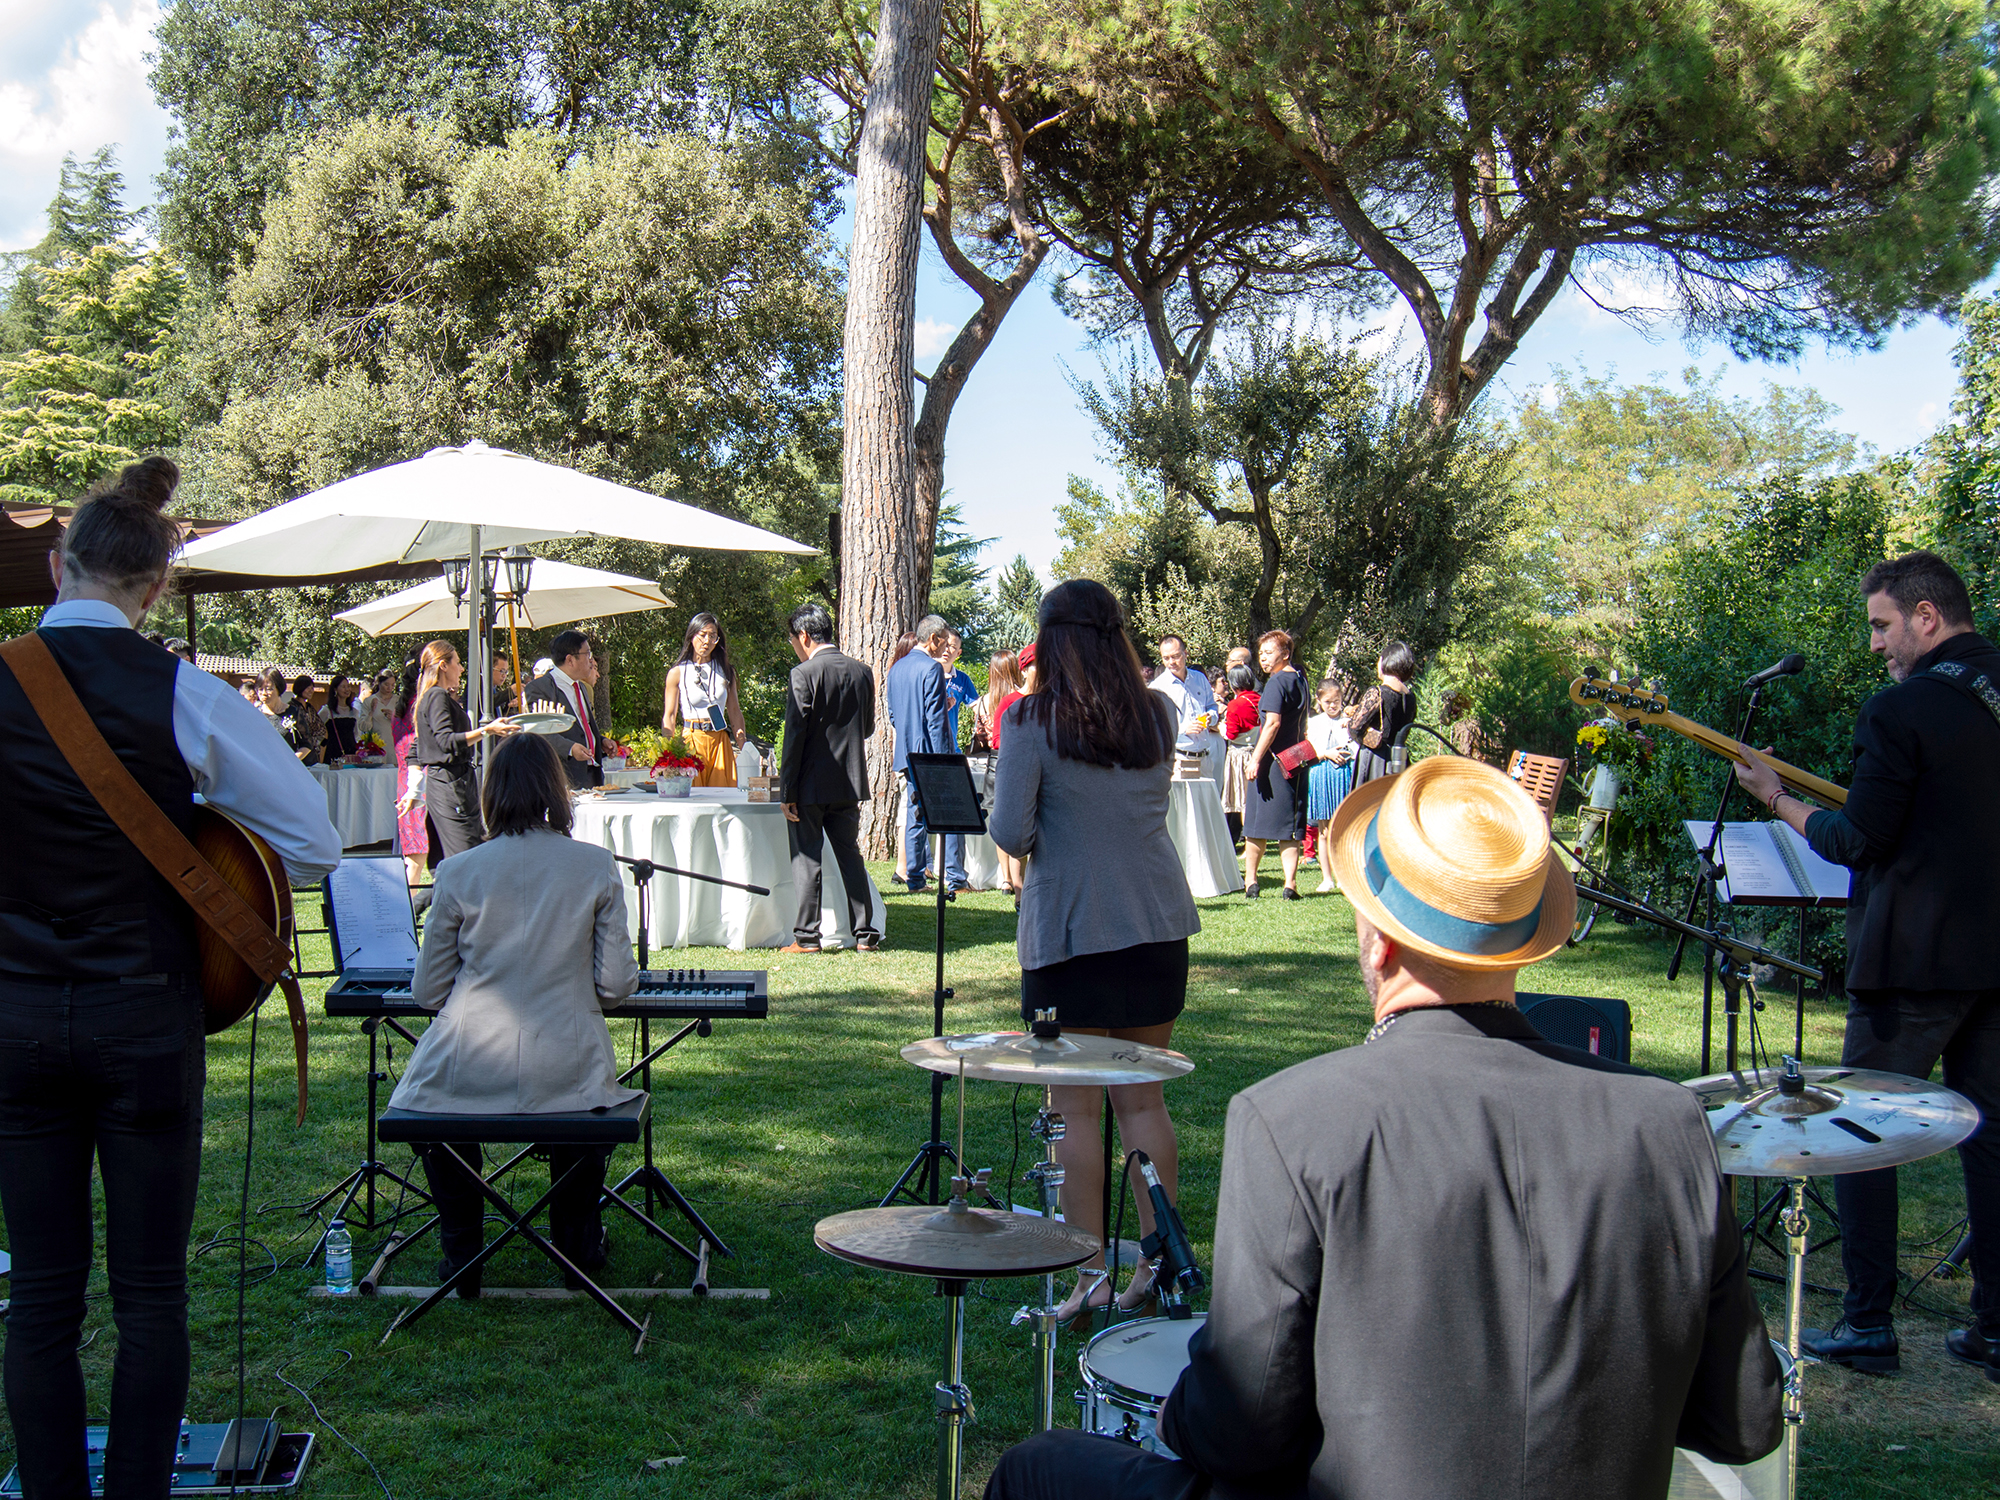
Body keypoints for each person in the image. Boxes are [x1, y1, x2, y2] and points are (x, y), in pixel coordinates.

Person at [986, 754, 1783, 1500]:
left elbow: (1240, 1432)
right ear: (1523, 941)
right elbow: (1743, 1423)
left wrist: (1183, 1418)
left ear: (1381, 940)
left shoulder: (1293, 1119)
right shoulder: (1668, 1124)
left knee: (1035, 1469)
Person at [0, 456, 341, 1500]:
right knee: (151, 1295)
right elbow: (315, 843)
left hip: (15, 1016)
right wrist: (193, 821)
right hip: (145, 1015)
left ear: (57, 567)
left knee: (41, 1297)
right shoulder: (185, 694)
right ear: (154, 588)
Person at [1734, 550, 2000, 1381]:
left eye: (1883, 626)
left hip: (1913, 960)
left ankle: (1867, 1322)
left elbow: (1856, 840)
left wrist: (1775, 797)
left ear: (1927, 616)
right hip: (1995, 955)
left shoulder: (1901, 710)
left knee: (1861, 1132)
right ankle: (1996, 1328)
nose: (1877, 645)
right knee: (1993, 1142)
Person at [989, 580, 1201, 1330]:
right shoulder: (1159, 714)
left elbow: (1011, 833)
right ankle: (1157, 1264)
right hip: (1155, 924)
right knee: (1142, 1099)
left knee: (1072, 1105)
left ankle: (1088, 1276)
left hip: (1071, 931)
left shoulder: (1029, 721)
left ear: (1050, 641)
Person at [387, 732, 639, 1295]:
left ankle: (462, 1250)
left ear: (491, 794)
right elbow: (617, 985)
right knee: (583, 1109)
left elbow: (427, 992)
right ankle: (576, 1243)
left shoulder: (457, 871)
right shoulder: (594, 866)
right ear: (555, 790)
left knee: (427, 1108)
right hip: (567, 1065)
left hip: (468, 1063)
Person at [776, 602, 883, 955]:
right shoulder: (862, 671)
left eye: (793, 639)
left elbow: (794, 736)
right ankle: (865, 933)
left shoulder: (803, 673)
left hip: (809, 782)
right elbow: (867, 728)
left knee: (808, 860)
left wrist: (787, 789)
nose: (794, 646)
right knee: (850, 856)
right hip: (848, 780)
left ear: (804, 635)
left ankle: (808, 937)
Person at [411, 640, 519, 863]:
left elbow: (418, 746)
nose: (461, 669)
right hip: (450, 785)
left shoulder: (433, 697)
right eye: (458, 663)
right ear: (443, 666)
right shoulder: (436, 696)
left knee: (451, 859)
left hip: (448, 783)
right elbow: (446, 741)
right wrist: (487, 730)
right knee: (467, 857)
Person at [886, 614, 968, 894]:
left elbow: (894, 715)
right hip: (930, 755)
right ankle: (955, 877)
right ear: (933, 639)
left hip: (907, 752)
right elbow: (934, 721)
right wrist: (946, 759)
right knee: (951, 812)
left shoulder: (896, 668)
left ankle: (915, 878)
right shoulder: (931, 668)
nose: (945, 648)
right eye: (944, 641)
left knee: (914, 815)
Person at [1241, 630, 1309, 899]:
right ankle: (1290, 884)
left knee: (1256, 824)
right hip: (1295, 760)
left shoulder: (1276, 682)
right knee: (1289, 826)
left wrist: (1255, 759)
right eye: (1261, 653)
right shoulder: (1300, 679)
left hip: (1272, 762)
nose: (1263, 658)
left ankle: (1251, 882)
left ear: (1286, 653)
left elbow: (1272, 723)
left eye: (1269, 652)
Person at [662, 613, 747, 787]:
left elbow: (734, 711)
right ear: (692, 636)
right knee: (693, 795)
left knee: (723, 795)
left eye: (713, 636)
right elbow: (669, 715)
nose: (707, 641)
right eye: (702, 635)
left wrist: (744, 747)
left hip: (720, 742)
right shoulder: (677, 672)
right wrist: (669, 752)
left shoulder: (726, 671)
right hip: (691, 741)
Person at [524, 630, 605, 791]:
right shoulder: (541, 688)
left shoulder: (581, 686)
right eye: (587, 654)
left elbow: (582, 726)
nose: (591, 660)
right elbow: (539, 732)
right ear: (570, 660)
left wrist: (601, 741)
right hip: (562, 777)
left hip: (592, 774)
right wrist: (570, 748)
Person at [1304, 677, 1355, 882]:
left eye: (1336, 701)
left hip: (1343, 773)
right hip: (1322, 773)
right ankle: (1327, 878)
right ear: (1319, 700)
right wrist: (1326, 754)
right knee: (1324, 830)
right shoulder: (1314, 723)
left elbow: (1355, 747)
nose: (1332, 706)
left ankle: (1345, 876)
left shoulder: (1348, 722)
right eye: (1328, 702)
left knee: (1344, 828)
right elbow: (1309, 751)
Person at [1150, 633, 1223, 769]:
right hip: (1179, 757)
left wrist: (1210, 717)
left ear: (1185, 654)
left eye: (1175, 656)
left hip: (1205, 756)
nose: (1171, 662)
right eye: (1166, 658)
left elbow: (1212, 706)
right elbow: (1154, 726)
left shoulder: (1200, 678)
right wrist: (1183, 730)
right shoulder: (1158, 687)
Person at [1350, 640, 1417, 784]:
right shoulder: (1411, 697)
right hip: (1400, 758)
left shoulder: (1377, 692)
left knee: (1372, 797)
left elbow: (1354, 728)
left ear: (1385, 662)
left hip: (1376, 760)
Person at [391, 658, 430, 896]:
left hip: (404, 780)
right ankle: (408, 908)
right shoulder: (421, 705)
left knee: (414, 857)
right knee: (416, 858)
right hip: (420, 781)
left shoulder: (401, 707)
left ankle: (408, 905)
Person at [1218, 662, 1260, 846]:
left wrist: (1220, 727)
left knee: (1243, 801)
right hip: (1257, 751)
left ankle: (1250, 842)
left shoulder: (1236, 704)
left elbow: (1232, 733)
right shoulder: (1259, 699)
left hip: (1240, 755)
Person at [972, 649, 1020, 755]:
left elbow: (980, 736)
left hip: (995, 758)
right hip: (1020, 755)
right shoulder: (1023, 697)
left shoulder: (982, 702)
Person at [320, 671, 361, 760]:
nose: (347, 689)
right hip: (333, 752)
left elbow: (356, 734)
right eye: (343, 687)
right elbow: (317, 728)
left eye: (348, 686)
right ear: (335, 689)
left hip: (351, 753)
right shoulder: (327, 710)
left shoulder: (354, 711)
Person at [355, 666, 398, 751]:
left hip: (396, 747)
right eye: (386, 684)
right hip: (376, 748)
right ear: (379, 682)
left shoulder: (398, 700)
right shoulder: (369, 701)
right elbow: (363, 727)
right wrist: (371, 713)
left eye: (393, 685)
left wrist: (394, 717)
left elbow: (408, 724)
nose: (390, 688)